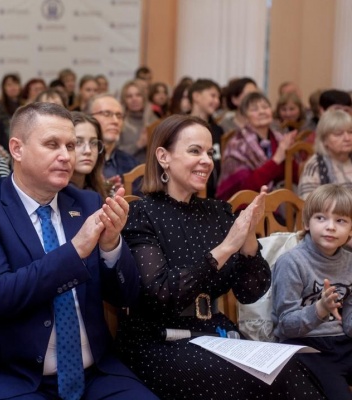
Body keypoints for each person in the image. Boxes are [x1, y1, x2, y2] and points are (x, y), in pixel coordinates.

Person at [0, 101, 157, 400]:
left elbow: (125, 296)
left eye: (70, 146)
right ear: (17, 149)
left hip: (95, 374)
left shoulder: (87, 203)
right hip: (9, 373)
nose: (66, 156)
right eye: (52, 144)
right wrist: (75, 250)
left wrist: (111, 246)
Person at [117, 114, 325, 399]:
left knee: (294, 368)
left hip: (215, 333)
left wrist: (248, 238)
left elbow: (250, 292)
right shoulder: (142, 214)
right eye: (195, 151)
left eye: (209, 152)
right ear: (163, 157)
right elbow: (160, 293)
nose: (206, 160)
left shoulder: (217, 213)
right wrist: (226, 247)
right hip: (159, 340)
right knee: (255, 381)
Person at [272, 184, 352, 400]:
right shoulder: (291, 263)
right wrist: (320, 308)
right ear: (307, 223)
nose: (330, 227)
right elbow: (286, 325)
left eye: (340, 220)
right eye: (321, 218)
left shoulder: (350, 262)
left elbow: (348, 321)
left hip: (342, 342)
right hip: (306, 347)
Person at [216, 92, 297, 201]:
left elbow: (295, 178)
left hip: (277, 202)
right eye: (255, 109)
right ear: (245, 117)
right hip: (246, 205)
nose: (262, 111)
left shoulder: (279, 139)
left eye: (265, 107)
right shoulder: (238, 145)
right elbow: (244, 189)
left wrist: (289, 154)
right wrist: (277, 159)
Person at [86, 94, 138, 191]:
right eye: (106, 114)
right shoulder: (79, 161)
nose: (115, 121)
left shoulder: (132, 164)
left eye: (119, 116)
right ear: (89, 118)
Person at [298, 109, 352, 199]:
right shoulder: (316, 166)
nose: (347, 138)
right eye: (338, 134)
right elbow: (307, 203)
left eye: (350, 132)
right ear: (324, 140)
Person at [188, 79, 224, 198]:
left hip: (213, 193)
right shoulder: (182, 127)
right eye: (213, 96)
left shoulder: (217, 129)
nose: (217, 101)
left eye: (218, 97)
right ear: (196, 96)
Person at [70, 112, 107, 199]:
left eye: (93, 143)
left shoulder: (96, 190)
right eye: (78, 142)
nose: (88, 151)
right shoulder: (53, 194)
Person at [118, 79, 156, 161]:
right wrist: (138, 145)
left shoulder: (154, 121)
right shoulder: (119, 122)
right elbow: (115, 153)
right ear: (124, 100)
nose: (134, 99)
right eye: (129, 96)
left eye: (138, 95)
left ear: (144, 98)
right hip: (126, 167)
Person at [0, 73, 23, 150]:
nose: (13, 87)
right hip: (3, 145)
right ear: (3, 88)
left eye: (15, 84)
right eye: (9, 85)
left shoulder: (25, 106)